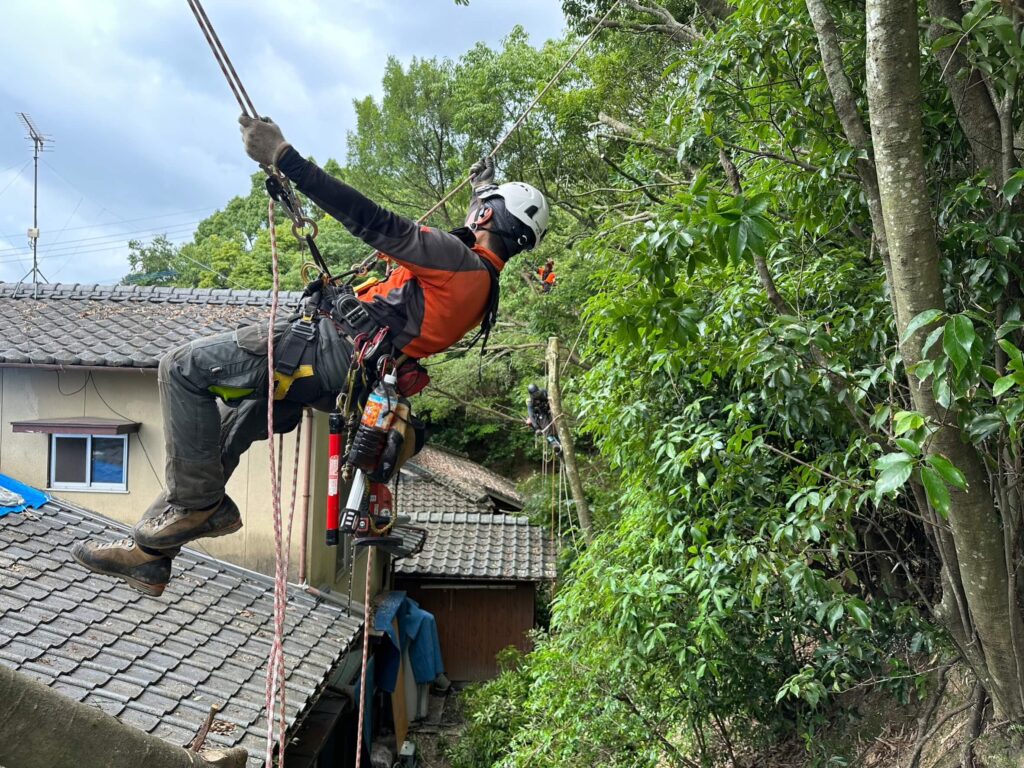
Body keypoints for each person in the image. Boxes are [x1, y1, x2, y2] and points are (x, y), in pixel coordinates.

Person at [72, 117, 550, 597]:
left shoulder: (455, 263)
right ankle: (152, 558)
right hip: (342, 378)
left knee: (181, 367)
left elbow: (373, 220)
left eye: (481, 212)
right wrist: (483, 188)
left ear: (487, 219)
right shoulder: (481, 284)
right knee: (224, 429)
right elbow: (473, 233)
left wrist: (284, 157)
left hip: (325, 349)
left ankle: (197, 505)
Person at [526, 383, 561, 453]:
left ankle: (559, 439)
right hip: (540, 415)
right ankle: (553, 443)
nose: (537, 395)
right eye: (535, 394)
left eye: (537, 393)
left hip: (549, 410)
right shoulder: (530, 402)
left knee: (555, 423)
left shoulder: (544, 392)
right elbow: (531, 415)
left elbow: (552, 399)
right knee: (545, 424)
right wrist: (536, 428)